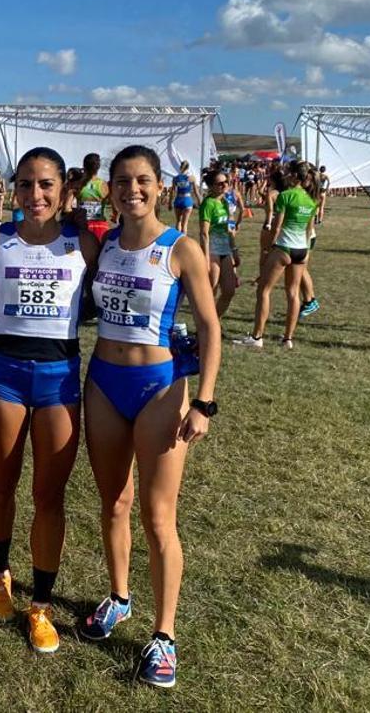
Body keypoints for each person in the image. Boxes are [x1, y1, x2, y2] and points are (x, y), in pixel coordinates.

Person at [79, 145, 221, 689]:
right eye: (122, 181)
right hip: (104, 384)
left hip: (160, 388)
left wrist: (204, 401)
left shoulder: (180, 249)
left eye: (142, 181)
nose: (131, 190)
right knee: (113, 501)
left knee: (159, 518)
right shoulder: (106, 244)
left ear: (160, 186)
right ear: (109, 189)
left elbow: (209, 328)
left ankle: (164, 636)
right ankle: (119, 597)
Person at [0, 147, 98, 653]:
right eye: (25, 185)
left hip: (58, 376)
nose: (35, 195)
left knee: (49, 496)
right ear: (13, 189)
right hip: (5, 373)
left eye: (45, 184)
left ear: (63, 189)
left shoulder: (84, 245)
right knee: (2, 481)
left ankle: (42, 606)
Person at [236, 162, 318, 349]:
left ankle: (257, 337)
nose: (287, 176)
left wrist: (268, 249)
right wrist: (305, 252)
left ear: (296, 176)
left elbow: (277, 227)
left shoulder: (285, 196)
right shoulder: (311, 199)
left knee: (263, 290)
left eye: (289, 173)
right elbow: (309, 229)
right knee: (293, 293)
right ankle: (287, 339)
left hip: (284, 248)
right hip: (301, 249)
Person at [199, 170, 237, 319]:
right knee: (211, 290)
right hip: (213, 250)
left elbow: (229, 230)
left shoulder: (225, 202)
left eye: (225, 182)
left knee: (229, 290)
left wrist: (235, 251)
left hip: (225, 250)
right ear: (211, 186)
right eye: (219, 183)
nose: (224, 185)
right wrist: (206, 258)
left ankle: (214, 321)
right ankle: (204, 327)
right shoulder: (208, 204)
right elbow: (204, 233)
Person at [77, 153, 112, 243]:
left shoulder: (79, 184)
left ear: (84, 166)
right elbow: (113, 202)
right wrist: (115, 215)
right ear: (98, 167)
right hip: (100, 226)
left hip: (82, 225)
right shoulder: (103, 185)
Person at [168, 161, 199, 234]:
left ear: (180, 167)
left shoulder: (175, 178)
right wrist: (200, 201)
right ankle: (183, 242)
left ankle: (177, 241)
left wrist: (170, 203)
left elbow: (173, 191)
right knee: (184, 225)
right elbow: (196, 191)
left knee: (178, 222)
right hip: (187, 200)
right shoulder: (192, 178)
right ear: (188, 167)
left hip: (178, 199)